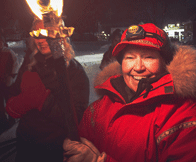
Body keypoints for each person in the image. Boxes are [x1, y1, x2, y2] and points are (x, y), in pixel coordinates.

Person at [63, 23, 196, 162]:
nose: (138, 67)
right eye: (130, 58)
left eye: (148, 57)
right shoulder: (97, 110)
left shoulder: (183, 114)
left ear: (165, 63)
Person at [6, 20, 89, 162]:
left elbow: (78, 118)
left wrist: (43, 100)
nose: (42, 40)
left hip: (54, 149)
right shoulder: (30, 64)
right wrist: (14, 101)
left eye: (48, 33)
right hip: (25, 144)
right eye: (38, 34)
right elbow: (15, 91)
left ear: (61, 36)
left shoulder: (74, 71)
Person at [0, 34, 19, 135]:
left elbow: (15, 64)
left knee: (9, 101)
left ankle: (12, 119)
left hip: (7, 81)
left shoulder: (9, 52)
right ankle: (2, 121)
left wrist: (11, 76)